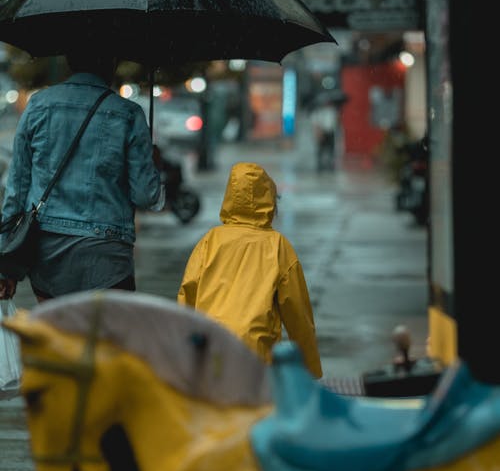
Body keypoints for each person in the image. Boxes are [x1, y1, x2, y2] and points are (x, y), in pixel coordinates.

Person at [0, 47, 165, 304]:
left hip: (48, 253)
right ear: (111, 66)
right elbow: (145, 196)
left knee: (56, 339)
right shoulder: (129, 113)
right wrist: (154, 167)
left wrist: (5, 261)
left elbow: (17, 187)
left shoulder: (39, 105)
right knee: (104, 342)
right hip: (107, 257)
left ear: (69, 62)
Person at [177, 161, 322, 378]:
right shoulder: (278, 247)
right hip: (255, 357)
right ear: (270, 201)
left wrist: (183, 357)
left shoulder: (210, 242)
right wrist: (310, 372)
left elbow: (186, 298)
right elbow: (298, 315)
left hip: (211, 349)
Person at [311, 95, 338, 172]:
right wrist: (318, 132)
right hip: (322, 132)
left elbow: (334, 122)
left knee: (331, 149)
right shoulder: (318, 112)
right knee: (321, 150)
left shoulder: (333, 111)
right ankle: (320, 165)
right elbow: (315, 123)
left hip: (330, 132)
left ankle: (330, 165)